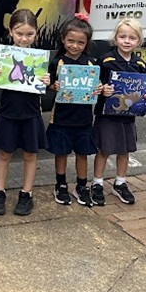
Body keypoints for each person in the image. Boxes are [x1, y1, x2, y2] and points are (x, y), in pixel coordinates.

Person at [0, 9, 51, 217]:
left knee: (30, 154)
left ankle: (27, 194)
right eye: (19, 33)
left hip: (31, 112)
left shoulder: (40, 58)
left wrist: (47, 82)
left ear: (36, 33)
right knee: (4, 153)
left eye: (29, 34)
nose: (24, 39)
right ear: (10, 32)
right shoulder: (4, 56)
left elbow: (48, 84)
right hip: (7, 112)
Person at [91, 18, 146, 206]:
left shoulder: (140, 64)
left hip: (128, 116)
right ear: (115, 38)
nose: (126, 41)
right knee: (104, 149)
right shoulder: (106, 60)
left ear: (138, 41)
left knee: (124, 150)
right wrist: (103, 90)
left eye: (132, 38)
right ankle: (97, 183)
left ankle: (120, 182)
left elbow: (142, 88)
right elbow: (94, 84)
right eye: (122, 36)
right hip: (107, 114)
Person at [46, 15, 102, 207]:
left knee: (82, 153)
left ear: (86, 43)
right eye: (71, 41)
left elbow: (96, 86)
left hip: (83, 118)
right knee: (60, 152)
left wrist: (98, 89)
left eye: (80, 42)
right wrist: (53, 85)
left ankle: (81, 185)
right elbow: (49, 86)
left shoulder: (91, 65)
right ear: (63, 39)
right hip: (61, 117)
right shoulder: (58, 63)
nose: (75, 46)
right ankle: (60, 184)